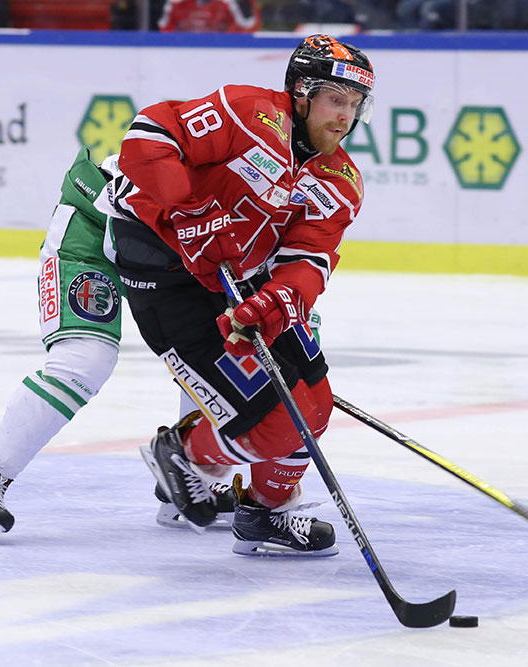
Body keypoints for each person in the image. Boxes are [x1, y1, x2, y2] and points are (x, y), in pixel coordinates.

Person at [107, 34, 374, 557]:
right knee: (275, 423)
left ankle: (262, 514)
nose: (345, 116)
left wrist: (274, 304)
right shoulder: (247, 112)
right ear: (302, 94)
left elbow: (308, 261)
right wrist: (186, 209)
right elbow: (149, 135)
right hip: (164, 267)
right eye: (335, 100)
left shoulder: (340, 180)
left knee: (314, 408)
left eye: (355, 104)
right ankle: (184, 454)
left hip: (236, 279)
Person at [0, 144, 239, 545]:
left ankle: (185, 481)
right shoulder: (256, 146)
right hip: (96, 230)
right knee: (85, 360)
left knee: (218, 353)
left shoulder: (304, 178)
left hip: (173, 255)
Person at [158, 0, 259, 31]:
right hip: (181, 57)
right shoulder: (175, 4)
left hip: (221, 57)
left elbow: (246, 31)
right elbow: (163, 32)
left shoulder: (228, 4)